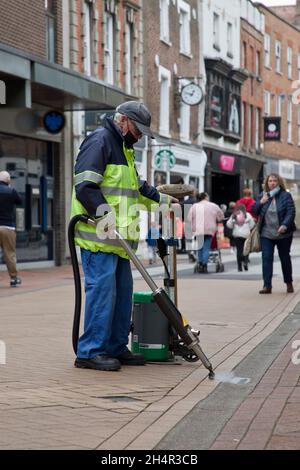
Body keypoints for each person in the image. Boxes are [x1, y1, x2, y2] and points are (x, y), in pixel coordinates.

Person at [71, 101, 177, 371]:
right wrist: (104, 216)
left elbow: (136, 188)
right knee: (102, 294)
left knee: (122, 296)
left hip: (120, 243)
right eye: (138, 129)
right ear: (123, 121)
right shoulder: (100, 141)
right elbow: (85, 186)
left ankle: (116, 347)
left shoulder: (124, 149)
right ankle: (90, 352)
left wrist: (166, 201)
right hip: (99, 239)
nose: (140, 136)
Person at [252, 173, 296, 294]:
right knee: (266, 258)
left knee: (285, 258)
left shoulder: (286, 195)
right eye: (270, 181)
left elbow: (291, 212)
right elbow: (254, 211)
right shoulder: (263, 195)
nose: (272, 183)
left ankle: (289, 283)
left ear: (279, 182)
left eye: (274, 181)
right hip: (266, 234)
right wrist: (261, 202)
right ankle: (267, 286)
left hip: (283, 234)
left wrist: (285, 225)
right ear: (267, 183)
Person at [187, 192, 224, 273]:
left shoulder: (194, 206)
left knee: (200, 247)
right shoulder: (213, 206)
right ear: (206, 197)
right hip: (209, 229)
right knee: (206, 247)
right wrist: (217, 219)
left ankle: (200, 262)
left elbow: (189, 218)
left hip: (198, 229)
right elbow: (221, 216)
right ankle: (204, 264)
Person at [0, 171, 22, 287]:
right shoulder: (11, 190)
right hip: (7, 226)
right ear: (8, 179)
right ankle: (13, 278)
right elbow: (20, 201)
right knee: (9, 253)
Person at [226, 204, 255, 272]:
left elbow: (229, 225)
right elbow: (252, 225)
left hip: (237, 235)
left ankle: (239, 267)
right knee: (246, 249)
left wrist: (234, 225)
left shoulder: (234, 215)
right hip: (246, 235)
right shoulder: (248, 215)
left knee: (239, 250)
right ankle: (245, 261)